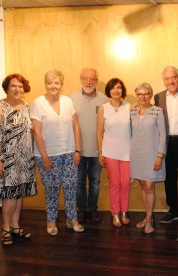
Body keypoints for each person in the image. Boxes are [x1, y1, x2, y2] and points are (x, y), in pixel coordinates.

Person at [31, 69, 84, 235]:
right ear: (45, 84)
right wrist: (45, 157)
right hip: (47, 155)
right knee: (52, 189)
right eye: (49, 83)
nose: (53, 86)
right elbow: (36, 132)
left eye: (56, 82)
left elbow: (76, 126)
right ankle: (51, 220)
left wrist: (77, 150)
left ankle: (72, 218)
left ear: (61, 84)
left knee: (70, 187)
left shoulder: (68, 101)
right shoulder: (38, 103)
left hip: (69, 152)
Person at [0, 73, 37, 247]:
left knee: (19, 193)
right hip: (6, 159)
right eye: (14, 86)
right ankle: (6, 228)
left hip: (24, 160)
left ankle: (16, 226)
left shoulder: (26, 107)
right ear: (7, 88)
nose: (17, 89)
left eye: (20, 86)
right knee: (9, 195)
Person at [154, 66, 178, 227]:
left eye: (174, 77)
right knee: (169, 178)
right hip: (166, 143)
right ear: (163, 81)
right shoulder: (158, 97)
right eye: (167, 78)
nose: (171, 81)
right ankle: (173, 211)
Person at [70, 68, 108, 223]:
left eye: (92, 79)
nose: (88, 82)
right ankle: (81, 209)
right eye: (85, 78)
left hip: (97, 151)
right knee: (78, 183)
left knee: (95, 183)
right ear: (80, 79)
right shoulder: (71, 98)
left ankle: (92, 209)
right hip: (77, 150)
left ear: (96, 81)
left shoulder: (104, 99)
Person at [130, 83, 166, 234]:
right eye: (139, 94)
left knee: (150, 187)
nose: (142, 97)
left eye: (146, 94)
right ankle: (147, 216)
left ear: (151, 95)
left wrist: (160, 156)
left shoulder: (157, 111)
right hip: (137, 155)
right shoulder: (132, 112)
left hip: (153, 155)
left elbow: (163, 135)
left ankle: (149, 220)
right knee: (143, 187)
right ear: (136, 95)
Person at [97, 78, 131, 228]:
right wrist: (100, 152)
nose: (116, 90)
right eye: (113, 88)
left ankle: (124, 211)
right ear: (108, 91)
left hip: (127, 152)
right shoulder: (102, 108)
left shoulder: (130, 107)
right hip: (109, 151)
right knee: (114, 183)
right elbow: (99, 132)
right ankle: (115, 213)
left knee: (125, 183)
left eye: (119, 87)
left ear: (122, 90)